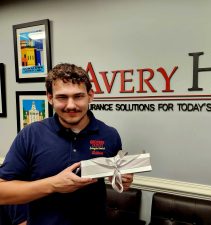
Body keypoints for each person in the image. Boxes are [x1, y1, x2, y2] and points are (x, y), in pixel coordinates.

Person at [0, 63, 133, 225]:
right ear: (50, 98)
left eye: (78, 96)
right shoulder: (31, 134)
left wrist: (121, 180)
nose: (71, 105)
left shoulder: (109, 135)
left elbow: (115, 178)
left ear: (90, 96)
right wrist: (53, 184)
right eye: (62, 97)